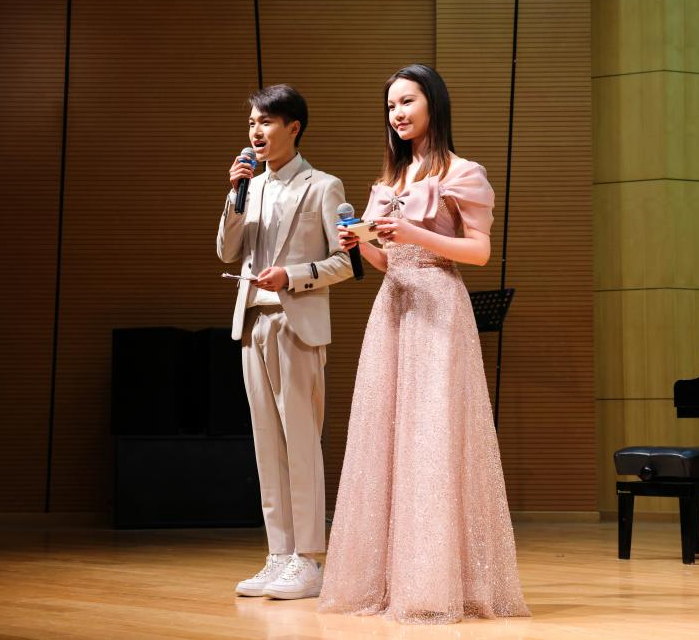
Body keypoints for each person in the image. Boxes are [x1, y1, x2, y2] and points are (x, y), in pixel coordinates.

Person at [318, 64, 529, 623]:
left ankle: (435, 586)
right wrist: (361, 244)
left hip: (438, 304)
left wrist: (414, 234)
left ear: (434, 103)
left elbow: (479, 252)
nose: (398, 114)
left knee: (433, 438)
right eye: (391, 106)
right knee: (387, 438)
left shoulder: (463, 172)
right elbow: (388, 260)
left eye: (407, 101)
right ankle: (388, 582)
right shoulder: (389, 180)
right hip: (393, 306)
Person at [217, 84, 353, 600]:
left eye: (266, 122)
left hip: (296, 324)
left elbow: (345, 262)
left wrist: (293, 276)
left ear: (293, 127)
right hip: (252, 322)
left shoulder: (324, 186)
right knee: (266, 444)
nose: (256, 131)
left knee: (300, 441)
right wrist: (234, 196)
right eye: (252, 122)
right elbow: (227, 251)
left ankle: (310, 559)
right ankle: (279, 554)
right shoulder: (248, 186)